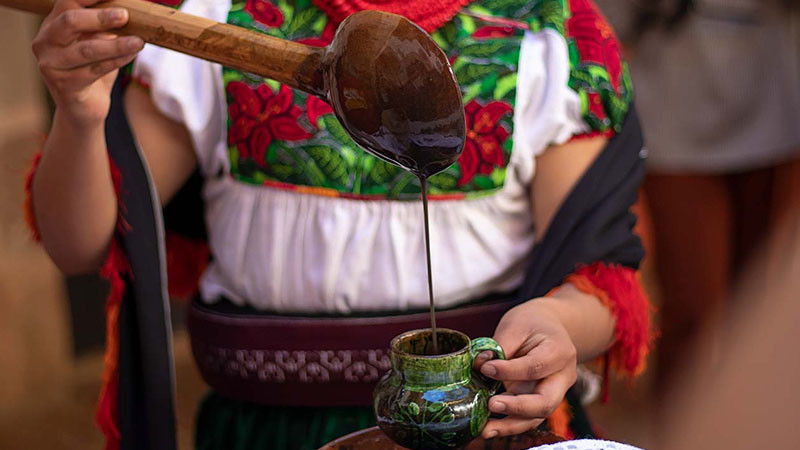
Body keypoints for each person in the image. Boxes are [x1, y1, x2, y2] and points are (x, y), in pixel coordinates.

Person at [24, 0, 653, 448]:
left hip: (479, 429)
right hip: (265, 429)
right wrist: (78, 113)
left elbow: (600, 279)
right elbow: (81, 246)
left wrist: (560, 323)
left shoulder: (550, 34)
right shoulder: (215, 21)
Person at [596, 0, 800, 396]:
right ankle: (682, 429)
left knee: (759, 313)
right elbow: (606, 22)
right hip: (675, 109)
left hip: (775, 104)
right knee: (692, 309)